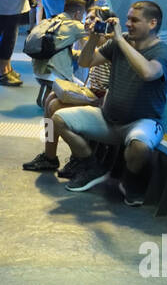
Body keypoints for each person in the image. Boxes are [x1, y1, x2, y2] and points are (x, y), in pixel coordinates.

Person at [51, 1, 167, 203]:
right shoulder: (121, 41)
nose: (128, 24)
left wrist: (120, 40)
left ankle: (129, 181)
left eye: (134, 20)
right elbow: (84, 62)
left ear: (152, 23)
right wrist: (93, 39)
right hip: (107, 119)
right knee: (58, 118)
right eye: (127, 19)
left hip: (143, 122)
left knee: (140, 146)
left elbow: (147, 72)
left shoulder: (163, 52)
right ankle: (91, 166)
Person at [23, 9, 112, 172]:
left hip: (102, 99)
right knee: (50, 99)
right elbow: (85, 57)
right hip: (91, 92)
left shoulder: (109, 48)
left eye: (94, 19)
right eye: (88, 17)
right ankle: (49, 154)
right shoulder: (93, 43)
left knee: (55, 107)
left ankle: (78, 157)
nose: (88, 21)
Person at [25, 0, 88, 108]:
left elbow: (59, 49)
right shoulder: (74, 26)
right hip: (54, 74)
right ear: (78, 13)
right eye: (83, 15)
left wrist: (79, 55)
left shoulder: (50, 21)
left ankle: (45, 94)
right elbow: (96, 35)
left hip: (38, 69)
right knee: (81, 94)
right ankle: (47, 105)